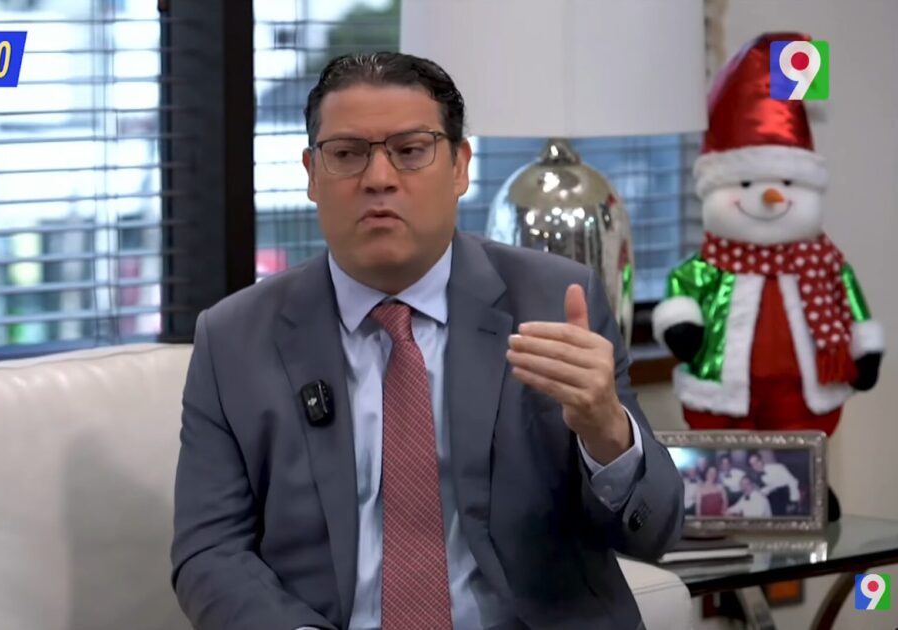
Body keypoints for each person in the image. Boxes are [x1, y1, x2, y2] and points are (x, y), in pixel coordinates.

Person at [170, 52, 685, 630]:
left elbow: (657, 532)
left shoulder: (555, 302)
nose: (379, 178)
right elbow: (209, 552)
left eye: (411, 150)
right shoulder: (233, 340)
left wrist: (607, 431)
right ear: (312, 174)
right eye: (347, 154)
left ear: (460, 167)